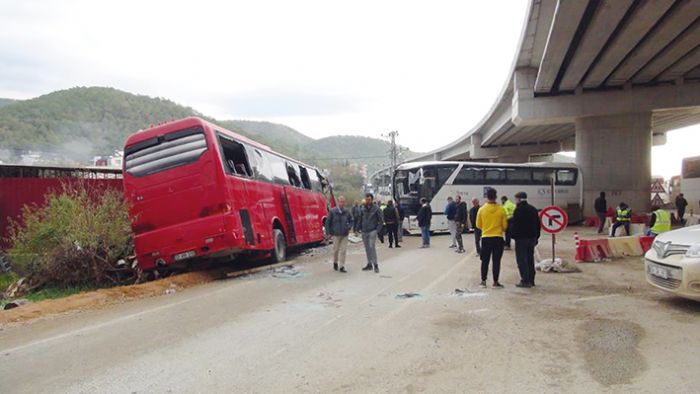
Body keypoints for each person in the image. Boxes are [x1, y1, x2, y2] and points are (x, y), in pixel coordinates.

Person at [476, 188, 507, 288]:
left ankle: (483, 281)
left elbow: (478, 225)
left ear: (486, 197)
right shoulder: (501, 209)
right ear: (496, 197)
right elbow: (505, 226)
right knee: (496, 261)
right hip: (498, 238)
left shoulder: (481, 209)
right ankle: (495, 281)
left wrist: (486, 228)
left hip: (486, 238)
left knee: (485, 260)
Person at [511, 192, 540, 288]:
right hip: (531, 238)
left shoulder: (518, 210)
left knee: (521, 260)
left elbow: (515, 225)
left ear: (519, 199)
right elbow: (538, 225)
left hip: (521, 239)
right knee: (530, 259)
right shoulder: (533, 209)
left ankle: (525, 280)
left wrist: (513, 236)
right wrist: (536, 237)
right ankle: (532, 280)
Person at [325, 196, 353, 273]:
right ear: (338, 202)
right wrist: (328, 232)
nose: (342, 203)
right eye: (341, 201)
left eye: (343, 202)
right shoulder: (332, 211)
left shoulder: (347, 211)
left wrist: (349, 227)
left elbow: (351, 220)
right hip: (336, 234)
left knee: (343, 250)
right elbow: (328, 222)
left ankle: (342, 266)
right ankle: (335, 262)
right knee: (336, 250)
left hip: (344, 234)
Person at [359, 193, 384, 273]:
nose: (368, 201)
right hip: (364, 230)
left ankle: (375, 265)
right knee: (367, 248)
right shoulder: (363, 208)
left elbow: (381, 220)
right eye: (366, 199)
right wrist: (358, 228)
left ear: (372, 200)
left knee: (371, 246)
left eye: (369, 199)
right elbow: (360, 219)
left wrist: (377, 230)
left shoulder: (376, 209)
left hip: (372, 230)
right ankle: (369, 263)